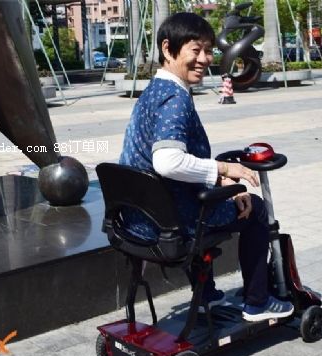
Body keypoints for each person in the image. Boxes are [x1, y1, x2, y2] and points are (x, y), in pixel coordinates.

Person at [118, 12, 294, 322]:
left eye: (209, 50)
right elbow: (168, 162)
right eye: (195, 50)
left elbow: (167, 163)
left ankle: (208, 295)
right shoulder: (174, 98)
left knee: (214, 202)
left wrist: (217, 181)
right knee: (255, 209)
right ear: (167, 48)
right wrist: (224, 170)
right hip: (170, 225)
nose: (204, 59)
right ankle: (257, 302)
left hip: (138, 220)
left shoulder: (152, 91)